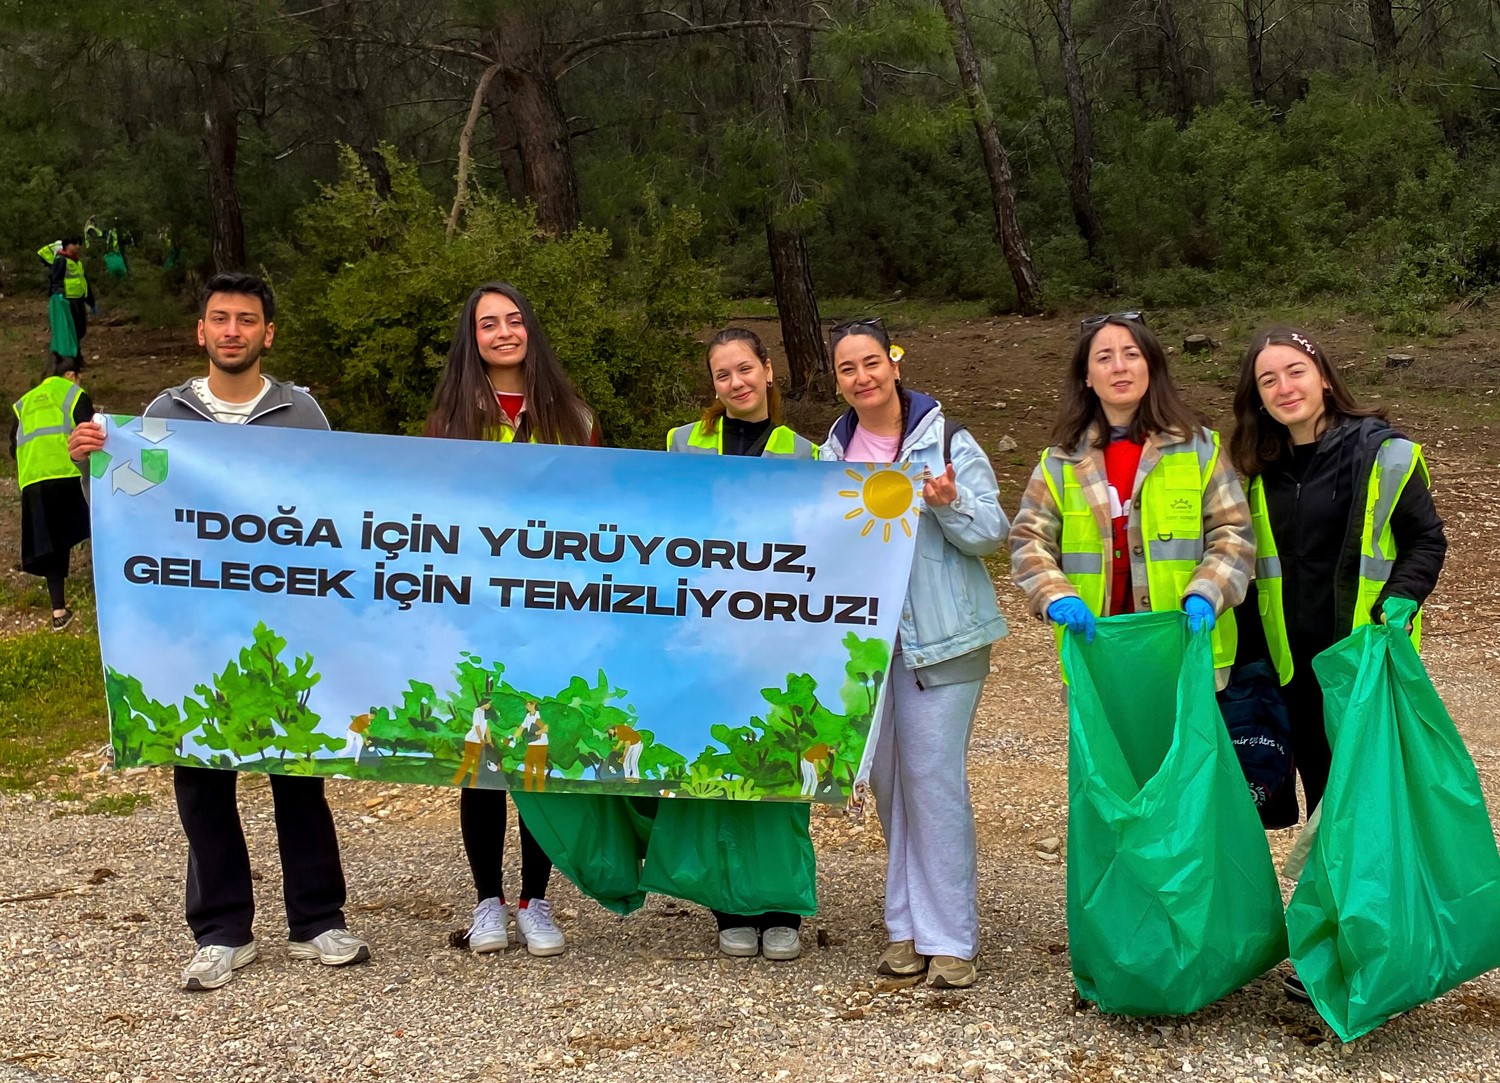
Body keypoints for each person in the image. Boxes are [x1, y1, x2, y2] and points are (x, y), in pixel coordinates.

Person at [66, 272, 369, 991]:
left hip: (286, 629)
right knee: (202, 776)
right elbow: (133, 511)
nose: (233, 330)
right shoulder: (164, 412)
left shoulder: (304, 414)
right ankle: (222, 929)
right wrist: (92, 466)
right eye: (220, 319)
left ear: (269, 333)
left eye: (247, 320)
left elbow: (337, 507)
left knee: (299, 772)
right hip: (190, 631)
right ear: (200, 331)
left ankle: (317, 919)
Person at [1229, 327, 1447, 932]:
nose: (1283, 387)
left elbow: (1426, 540)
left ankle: (1370, 937)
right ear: (1258, 396)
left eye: (1294, 371)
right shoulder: (1252, 471)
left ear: (1323, 376)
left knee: (1363, 802)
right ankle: (1339, 934)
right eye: (1267, 379)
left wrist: (1402, 597)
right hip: (1291, 667)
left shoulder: (1383, 453)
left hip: (1360, 664)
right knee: (1325, 797)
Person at [819, 316, 1009, 989]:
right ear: (837, 379)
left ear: (893, 365)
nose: (862, 377)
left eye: (871, 362)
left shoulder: (947, 440)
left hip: (943, 640)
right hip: (871, 650)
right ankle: (905, 927)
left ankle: (951, 936)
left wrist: (951, 504)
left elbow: (993, 532)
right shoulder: (829, 457)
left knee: (934, 782)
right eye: (848, 368)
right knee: (892, 786)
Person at [424, 282, 598, 957]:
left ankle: (536, 898)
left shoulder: (573, 416)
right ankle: (486, 901)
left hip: (552, 615)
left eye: (514, 320)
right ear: (473, 337)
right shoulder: (449, 419)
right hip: (476, 613)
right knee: (481, 760)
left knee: (535, 755)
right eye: (488, 323)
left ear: (531, 330)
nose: (503, 332)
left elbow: (599, 517)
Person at [662, 326, 820, 962]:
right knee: (719, 770)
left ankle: (782, 909)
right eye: (722, 375)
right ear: (714, 384)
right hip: (705, 633)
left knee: (780, 772)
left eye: (744, 370)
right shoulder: (680, 443)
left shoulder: (807, 453)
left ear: (768, 371)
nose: (735, 383)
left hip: (781, 635)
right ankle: (729, 907)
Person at [1009, 312, 1254, 689]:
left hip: (1184, 648)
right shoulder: (1060, 462)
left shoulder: (1200, 449)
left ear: (1152, 367)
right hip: (1096, 650)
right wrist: (1054, 595)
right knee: (1106, 751)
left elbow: (1233, 534)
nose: (1119, 367)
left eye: (1132, 354)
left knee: (1188, 750)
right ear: (1087, 377)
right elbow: (1028, 540)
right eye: (1104, 357)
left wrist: (1208, 592)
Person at [10, 354, 94, 630]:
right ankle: (111, 592)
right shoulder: (72, 393)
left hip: (33, 480)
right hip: (68, 473)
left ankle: (58, 612)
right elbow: (92, 433)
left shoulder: (24, 402)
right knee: (98, 527)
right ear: (70, 375)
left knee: (51, 546)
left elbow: (13, 446)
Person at [39, 236, 94, 361]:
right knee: (71, 329)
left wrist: (91, 301)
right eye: (74, 243)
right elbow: (55, 279)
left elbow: (84, 281)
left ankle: (75, 355)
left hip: (78, 299)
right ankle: (73, 357)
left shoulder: (77, 262)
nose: (77, 246)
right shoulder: (61, 260)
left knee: (81, 329)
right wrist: (58, 295)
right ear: (66, 245)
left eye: (79, 243)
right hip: (68, 300)